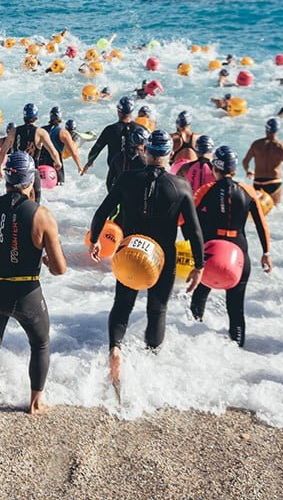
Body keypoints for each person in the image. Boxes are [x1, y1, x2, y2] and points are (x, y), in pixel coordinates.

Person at [88, 130, 203, 382]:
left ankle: (115, 349)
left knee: (122, 305)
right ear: (169, 155)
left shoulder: (127, 178)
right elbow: (193, 230)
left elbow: (102, 212)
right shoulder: (181, 187)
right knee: (157, 309)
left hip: (130, 251)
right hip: (162, 258)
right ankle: (151, 362)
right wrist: (199, 265)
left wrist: (96, 239)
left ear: (146, 151)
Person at [0, 151, 66, 432]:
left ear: (7, 176)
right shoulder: (43, 215)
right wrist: (40, 260)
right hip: (26, 294)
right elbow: (60, 269)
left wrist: (3, 256)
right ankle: (36, 403)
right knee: (41, 343)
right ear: (31, 178)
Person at [189, 145, 272, 347]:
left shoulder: (205, 190)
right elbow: (261, 224)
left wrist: (194, 252)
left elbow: (191, 222)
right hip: (239, 255)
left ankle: (191, 341)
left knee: (199, 297)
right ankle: (238, 351)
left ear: (214, 168)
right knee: (235, 309)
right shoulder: (248, 191)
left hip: (211, 254)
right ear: (234, 169)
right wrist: (266, 252)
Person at [80, 97, 145, 192]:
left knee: (114, 198)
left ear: (118, 111)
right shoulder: (141, 129)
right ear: (132, 111)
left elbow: (96, 149)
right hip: (136, 171)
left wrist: (89, 162)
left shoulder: (110, 130)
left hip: (115, 171)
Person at [0, 104, 62, 197]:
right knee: (36, 202)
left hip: (14, 172)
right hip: (31, 172)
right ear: (36, 117)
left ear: (24, 116)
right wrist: (57, 162)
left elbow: (3, 151)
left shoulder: (14, 131)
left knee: (9, 200)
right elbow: (53, 151)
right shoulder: (41, 133)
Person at [38, 107, 80, 186]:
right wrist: (79, 166)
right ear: (60, 117)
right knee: (57, 187)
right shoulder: (63, 132)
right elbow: (73, 152)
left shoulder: (41, 130)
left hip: (41, 163)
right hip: (56, 164)